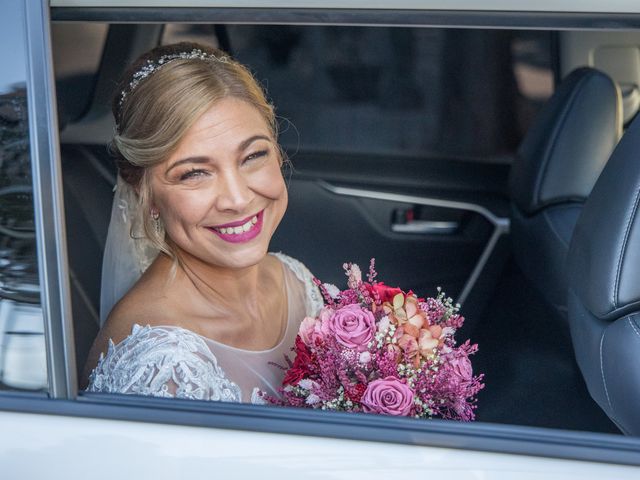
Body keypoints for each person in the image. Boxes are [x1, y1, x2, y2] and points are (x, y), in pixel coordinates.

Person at [83, 42, 323, 403]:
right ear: (144, 193)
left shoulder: (295, 279)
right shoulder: (161, 368)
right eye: (194, 173)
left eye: (253, 155)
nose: (238, 198)